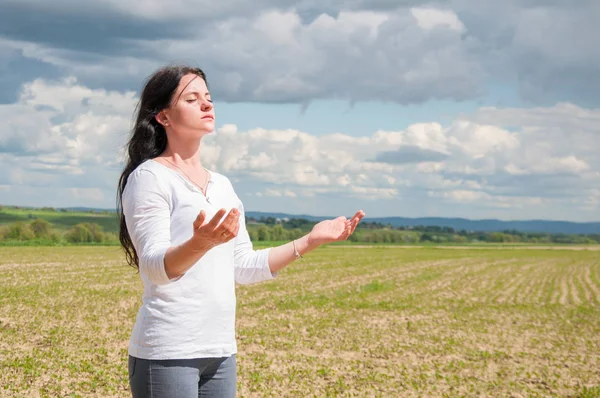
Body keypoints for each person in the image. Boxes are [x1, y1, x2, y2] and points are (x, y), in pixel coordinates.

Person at [117, 64, 365, 398]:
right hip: (168, 352)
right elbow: (154, 268)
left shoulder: (223, 185)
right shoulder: (149, 178)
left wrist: (311, 240)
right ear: (163, 117)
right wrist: (199, 244)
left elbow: (244, 267)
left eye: (208, 97)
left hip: (220, 352)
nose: (207, 105)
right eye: (192, 99)